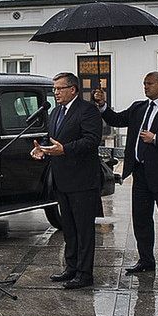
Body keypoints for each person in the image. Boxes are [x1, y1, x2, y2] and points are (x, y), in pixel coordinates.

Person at [92, 71, 158, 281]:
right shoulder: (139, 107)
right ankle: (146, 260)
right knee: (141, 220)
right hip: (140, 173)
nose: (145, 87)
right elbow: (116, 119)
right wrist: (102, 105)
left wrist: (156, 138)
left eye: (150, 83)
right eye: (144, 83)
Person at [31, 72, 102, 289]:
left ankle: (84, 274)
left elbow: (91, 141)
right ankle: (71, 267)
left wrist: (65, 150)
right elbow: (51, 136)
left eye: (59, 89)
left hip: (82, 181)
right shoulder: (55, 112)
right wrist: (41, 149)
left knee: (83, 229)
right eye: (54, 89)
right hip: (62, 180)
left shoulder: (88, 111)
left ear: (73, 89)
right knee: (69, 228)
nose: (56, 93)